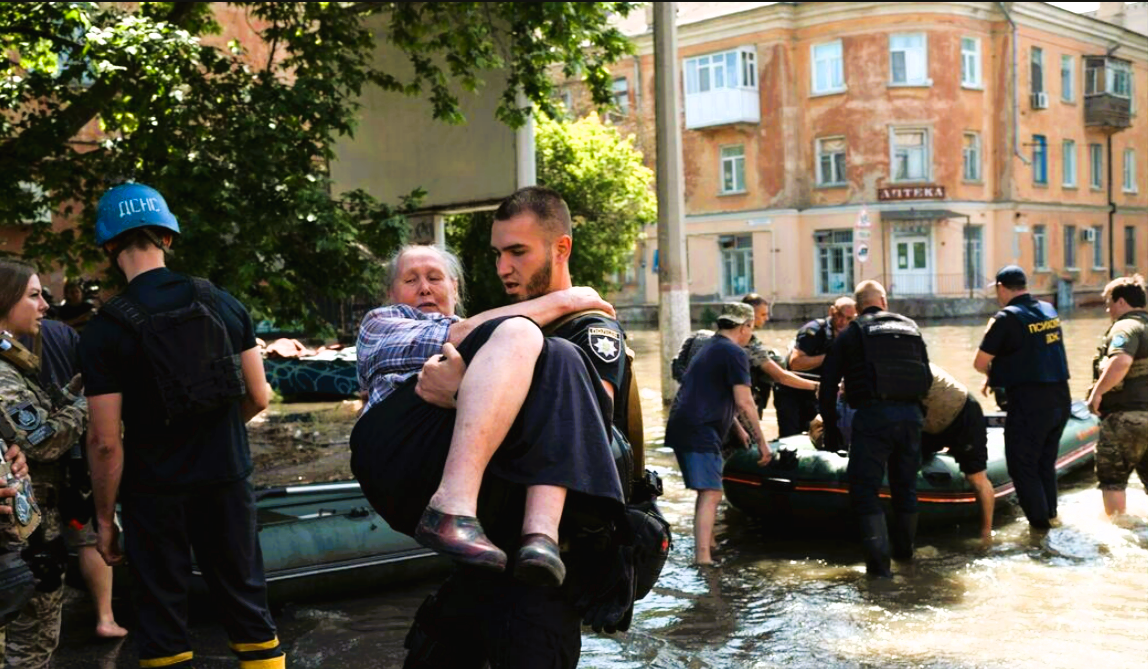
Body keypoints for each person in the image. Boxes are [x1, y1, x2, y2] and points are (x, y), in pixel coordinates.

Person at [80, 183, 284, 669]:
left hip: (155, 495)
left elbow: (105, 444)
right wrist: (217, 435)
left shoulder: (105, 330)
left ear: (110, 247)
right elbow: (260, 395)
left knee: (163, 621)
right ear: (168, 238)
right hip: (227, 480)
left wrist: (105, 523)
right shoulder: (224, 303)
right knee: (248, 608)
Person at [0, 260, 88, 668]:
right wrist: (91, 405)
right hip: (18, 538)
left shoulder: (16, 362)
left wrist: (72, 393)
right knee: (29, 649)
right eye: (33, 296)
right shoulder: (3, 374)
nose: (45, 306)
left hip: (31, 528)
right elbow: (44, 440)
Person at [19, 319, 127, 640]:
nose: (42, 306)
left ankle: (34, 623)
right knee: (85, 533)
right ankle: (104, 617)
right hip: (70, 453)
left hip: (30, 462)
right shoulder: (60, 332)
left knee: (35, 539)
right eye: (34, 296)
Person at [820, 280, 931, 578]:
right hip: (911, 417)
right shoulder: (911, 327)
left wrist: (831, 428)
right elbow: (927, 376)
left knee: (865, 491)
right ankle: (906, 558)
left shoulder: (853, 331)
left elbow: (828, 384)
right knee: (905, 488)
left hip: (874, 416)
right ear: (884, 300)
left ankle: (880, 573)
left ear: (856, 307)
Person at [666, 303, 774, 565]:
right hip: (699, 428)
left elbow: (707, 390)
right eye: (750, 327)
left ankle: (710, 544)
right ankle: (703, 558)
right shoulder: (734, 353)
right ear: (744, 327)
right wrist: (762, 443)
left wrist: (736, 428)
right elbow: (745, 402)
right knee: (712, 492)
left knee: (708, 491)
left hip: (684, 424)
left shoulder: (710, 347)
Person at [974, 265, 1070, 531]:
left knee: (1022, 467)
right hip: (1061, 399)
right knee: (1044, 464)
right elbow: (1035, 350)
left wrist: (993, 373)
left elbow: (980, 362)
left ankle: (1040, 533)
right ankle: (1051, 516)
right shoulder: (1049, 309)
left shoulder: (1005, 318)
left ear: (1001, 288)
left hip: (1031, 403)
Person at [1085, 274, 1148, 518]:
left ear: (1121, 301)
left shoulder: (1125, 327)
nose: (1108, 308)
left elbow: (1121, 361)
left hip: (1125, 419)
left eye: (1109, 302)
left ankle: (1118, 531)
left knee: (1113, 480)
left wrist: (1097, 393)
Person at [920, 363, 994, 542]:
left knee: (976, 478)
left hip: (962, 414)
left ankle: (986, 533)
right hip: (929, 425)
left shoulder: (912, 364)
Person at [774, 296, 857, 437]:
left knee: (818, 434)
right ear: (832, 312)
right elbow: (796, 363)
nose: (843, 322)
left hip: (819, 391)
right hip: (793, 390)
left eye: (849, 319)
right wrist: (831, 356)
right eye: (840, 316)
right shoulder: (814, 330)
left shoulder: (851, 335)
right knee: (791, 437)